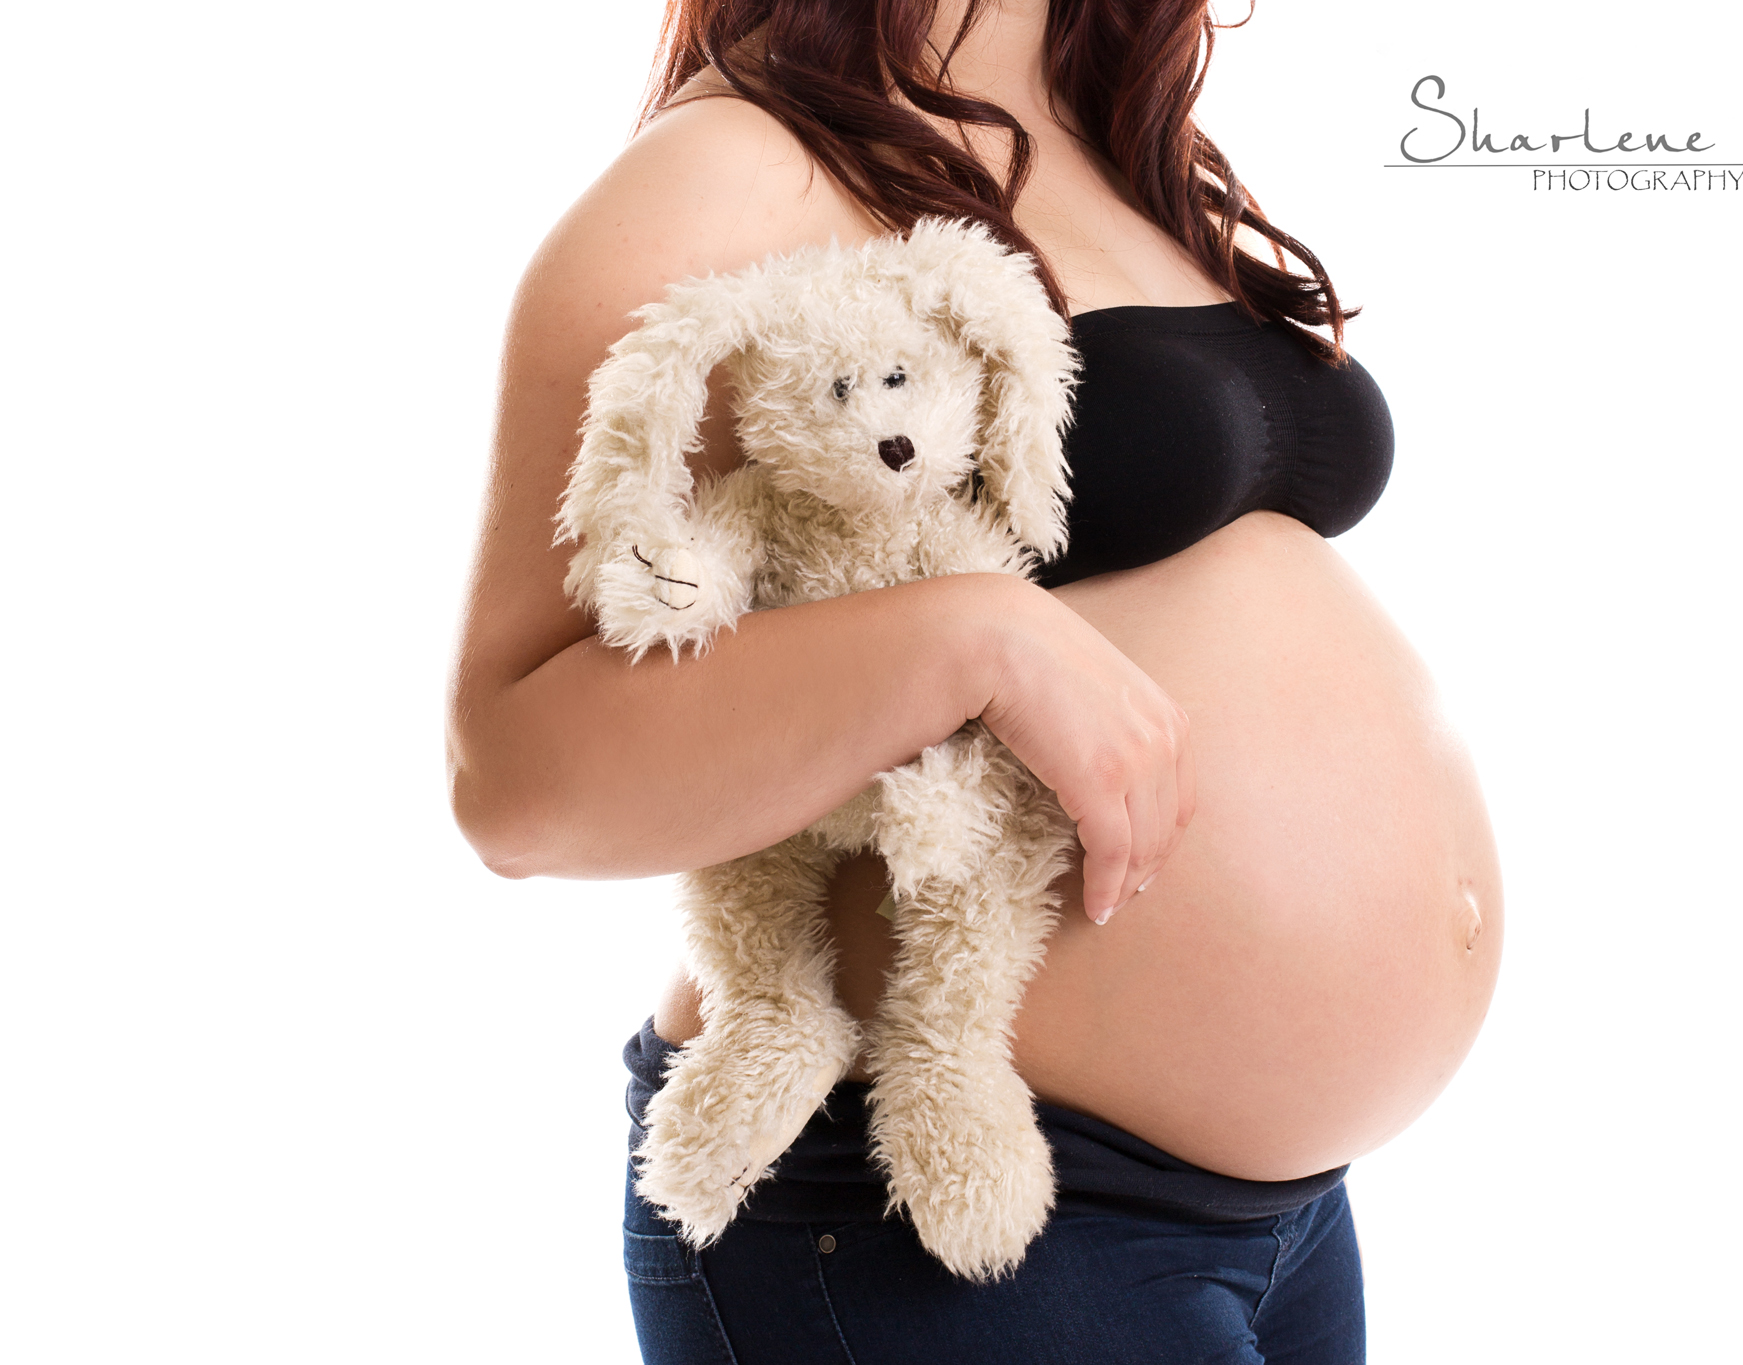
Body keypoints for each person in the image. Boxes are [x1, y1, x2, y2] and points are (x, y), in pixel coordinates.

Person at [447, 0, 1503, 1359]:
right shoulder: (731, 167)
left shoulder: (1115, 135)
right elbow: (514, 775)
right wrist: (975, 638)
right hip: (943, 1216)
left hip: (1274, 1220)